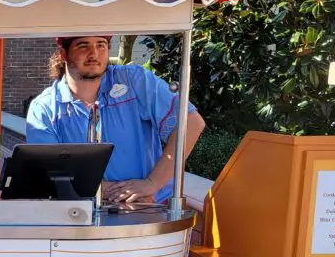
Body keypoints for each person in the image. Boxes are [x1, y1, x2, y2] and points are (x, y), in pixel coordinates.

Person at [25, 35, 206, 205]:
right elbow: (49, 172)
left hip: (151, 210)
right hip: (79, 216)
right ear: (64, 54)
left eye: (101, 45)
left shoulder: (135, 80)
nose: (94, 53)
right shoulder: (44, 109)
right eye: (83, 45)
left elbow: (191, 122)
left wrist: (152, 183)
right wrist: (106, 192)